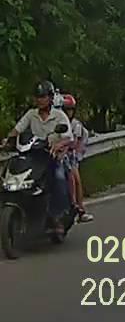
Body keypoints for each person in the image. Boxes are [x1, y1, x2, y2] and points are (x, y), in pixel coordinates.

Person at [3, 81, 74, 235]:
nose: (40, 100)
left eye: (43, 96)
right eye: (38, 97)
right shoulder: (31, 114)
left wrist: (59, 144)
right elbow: (17, 130)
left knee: (59, 178)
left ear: (50, 98)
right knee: (11, 173)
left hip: (52, 157)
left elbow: (68, 137)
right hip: (32, 156)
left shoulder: (59, 116)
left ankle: (57, 216)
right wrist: (7, 141)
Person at [59, 94, 94, 223]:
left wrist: (64, 146)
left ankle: (80, 209)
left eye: (70, 109)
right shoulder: (55, 121)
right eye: (66, 109)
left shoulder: (75, 125)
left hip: (69, 156)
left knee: (75, 179)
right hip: (55, 154)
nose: (68, 112)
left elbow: (74, 143)